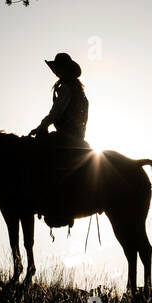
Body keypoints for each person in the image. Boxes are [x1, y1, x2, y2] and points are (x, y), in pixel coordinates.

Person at [28, 53, 90, 227]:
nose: (56, 73)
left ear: (65, 70)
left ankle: (51, 202)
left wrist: (42, 126)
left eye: (59, 69)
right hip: (78, 138)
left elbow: (57, 112)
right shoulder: (80, 92)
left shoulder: (65, 88)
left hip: (66, 137)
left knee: (39, 158)